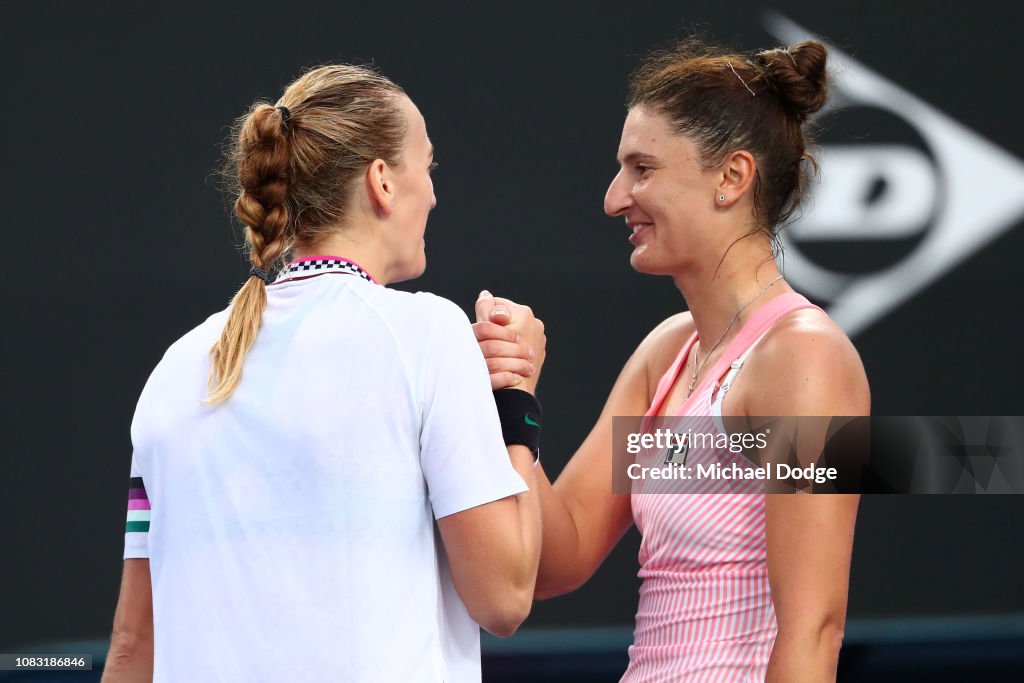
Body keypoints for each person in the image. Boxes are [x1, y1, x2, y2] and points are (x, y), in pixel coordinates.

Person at [102, 64, 545, 683]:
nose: (436, 193)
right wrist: (516, 398)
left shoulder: (173, 370)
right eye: (428, 166)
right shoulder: (425, 335)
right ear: (383, 181)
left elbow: (131, 650)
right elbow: (504, 596)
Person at [474, 38, 869, 681]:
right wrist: (513, 394)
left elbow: (814, 633)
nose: (614, 198)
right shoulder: (667, 354)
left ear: (732, 178)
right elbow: (557, 556)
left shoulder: (806, 360)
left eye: (642, 169)